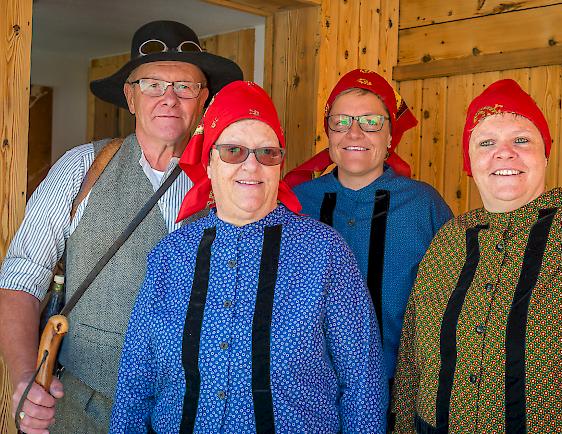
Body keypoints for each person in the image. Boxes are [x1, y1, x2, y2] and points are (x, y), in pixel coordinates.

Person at [0, 20, 242, 433]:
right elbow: (20, 283)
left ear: (203, 100)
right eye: (152, 85)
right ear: (129, 97)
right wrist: (25, 376)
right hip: (87, 409)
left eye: (185, 86)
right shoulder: (81, 169)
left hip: (198, 414)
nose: (169, 98)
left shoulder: (234, 179)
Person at [109, 81, 386, 433]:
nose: (251, 166)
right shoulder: (170, 256)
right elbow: (136, 384)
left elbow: (363, 384)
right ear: (208, 163)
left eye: (267, 153)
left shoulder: (325, 252)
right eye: (233, 151)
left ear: (280, 165)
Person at [392, 79, 562, 433]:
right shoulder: (449, 240)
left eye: (521, 139)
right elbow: (411, 363)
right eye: (486, 142)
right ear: (470, 160)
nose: (504, 152)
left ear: (545, 152)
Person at [284, 69, 452, 388]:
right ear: (329, 132)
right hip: (306, 386)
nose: (355, 133)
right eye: (342, 121)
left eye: (371, 122)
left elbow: (449, 303)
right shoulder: (295, 203)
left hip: (399, 384)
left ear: (390, 135)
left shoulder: (424, 205)